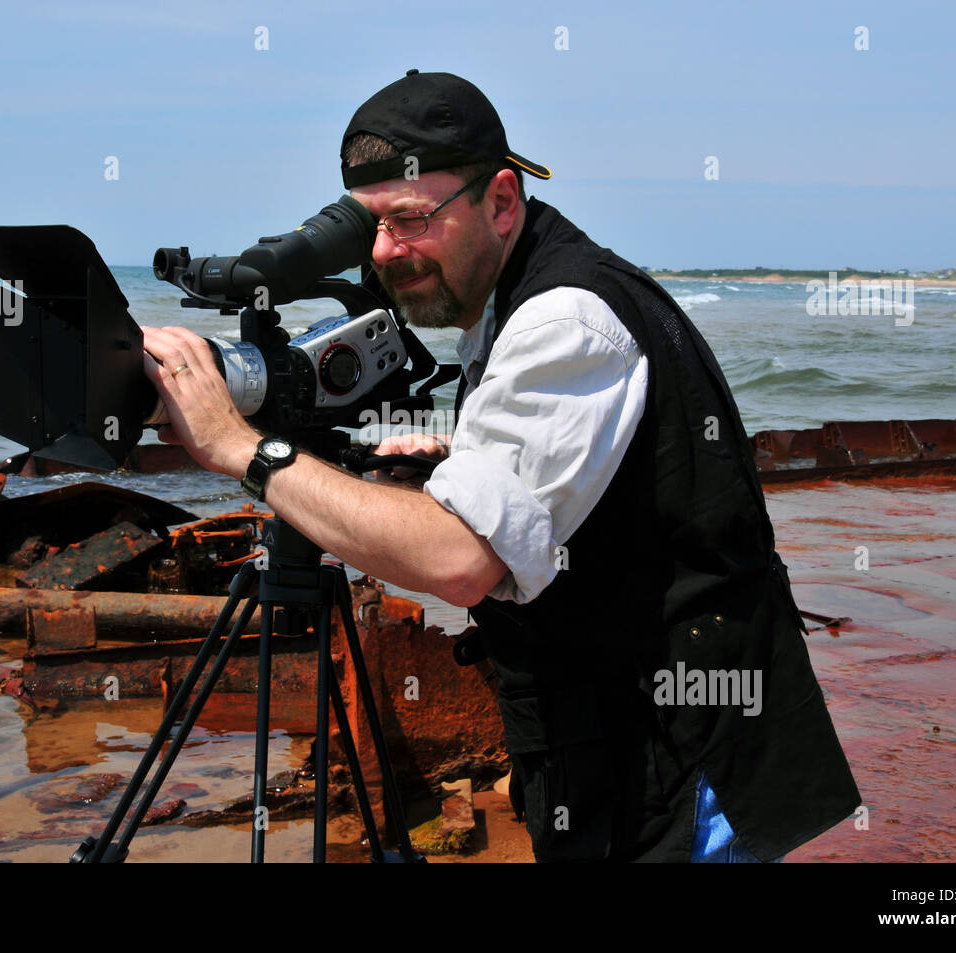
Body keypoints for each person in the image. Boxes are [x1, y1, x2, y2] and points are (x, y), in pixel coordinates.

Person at [141, 70, 861, 862]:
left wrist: (241, 448)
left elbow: (457, 561)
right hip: (622, 737)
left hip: (680, 757)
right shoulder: (515, 292)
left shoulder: (569, 317)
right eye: (370, 228)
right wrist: (453, 467)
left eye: (411, 221)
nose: (386, 254)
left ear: (503, 201)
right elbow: (590, 483)